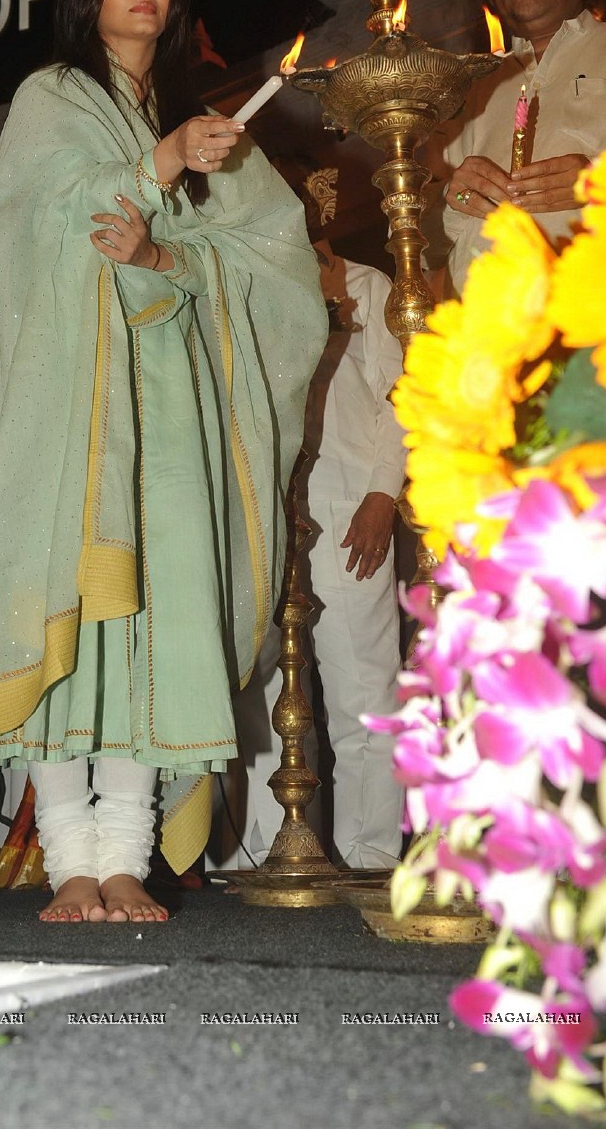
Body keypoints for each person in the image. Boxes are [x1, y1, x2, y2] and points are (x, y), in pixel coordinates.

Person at [0, 0, 326, 923]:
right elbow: (40, 219)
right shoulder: (52, 97)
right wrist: (156, 163)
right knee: (73, 625)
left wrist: (168, 257)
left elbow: (268, 263)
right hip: (72, 415)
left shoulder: (197, 116)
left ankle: (122, 858)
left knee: (147, 625)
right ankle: (67, 859)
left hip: (168, 415)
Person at [220, 173, 406, 871]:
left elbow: (403, 398)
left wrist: (382, 494)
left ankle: (370, 854)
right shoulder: (248, 284)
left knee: (362, 684)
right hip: (264, 505)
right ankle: (268, 848)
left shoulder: (370, 285)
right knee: (260, 682)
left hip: (348, 503)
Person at [428, 0, 606, 294]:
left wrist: (605, 182)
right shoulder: (465, 92)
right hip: (493, 341)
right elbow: (422, 243)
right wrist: (455, 200)